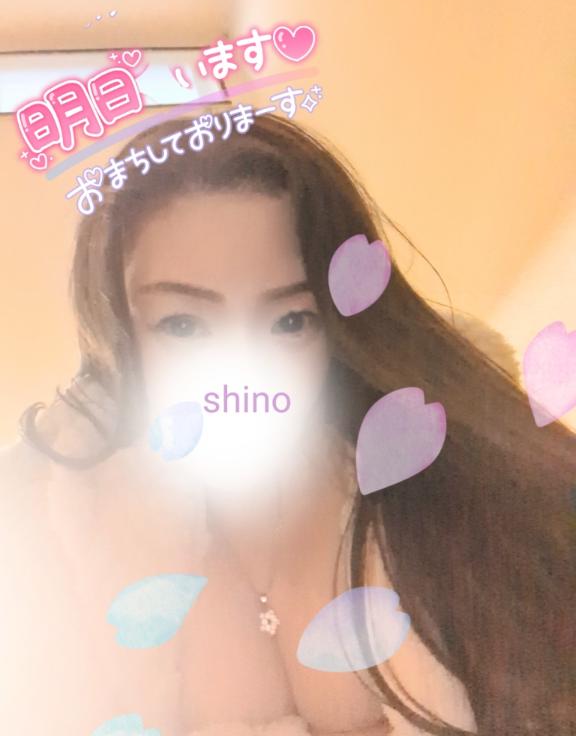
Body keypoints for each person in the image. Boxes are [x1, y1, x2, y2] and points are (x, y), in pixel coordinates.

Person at [0, 113, 573, 736]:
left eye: (290, 321)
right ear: (119, 330)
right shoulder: (58, 536)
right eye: (184, 325)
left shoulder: (458, 473)